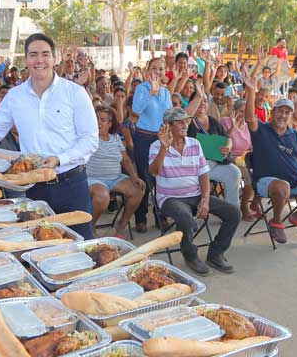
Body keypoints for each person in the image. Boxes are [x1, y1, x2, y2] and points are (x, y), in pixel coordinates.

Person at [0, 33, 99, 239]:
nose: (39, 60)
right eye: (33, 55)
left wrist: (59, 159)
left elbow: (90, 139)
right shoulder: (15, 96)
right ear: (26, 60)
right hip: (35, 187)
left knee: (81, 246)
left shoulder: (74, 93)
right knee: (41, 245)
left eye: (45, 54)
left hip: (72, 183)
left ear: (54, 59)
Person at [150, 108, 240, 276]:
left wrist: (205, 200)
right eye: (180, 121)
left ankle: (215, 253)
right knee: (185, 218)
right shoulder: (156, 146)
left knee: (234, 213)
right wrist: (164, 148)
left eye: (187, 121)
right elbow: (154, 172)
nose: (186, 124)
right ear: (168, 125)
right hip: (170, 198)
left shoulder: (194, 143)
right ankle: (190, 255)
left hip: (195, 194)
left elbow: (204, 174)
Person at [243, 75, 297, 244]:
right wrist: (250, 92)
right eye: (280, 111)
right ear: (273, 112)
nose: (283, 115)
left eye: (287, 112)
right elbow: (249, 117)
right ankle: (276, 221)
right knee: (282, 186)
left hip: (295, 180)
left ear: (291, 116)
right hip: (268, 182)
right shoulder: (261, 130)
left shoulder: (295, 135)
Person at [128, 56, 173, 233]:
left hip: (161, 139)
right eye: (154, 68)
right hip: (144, 138)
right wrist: (151, 93)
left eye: (161, 69)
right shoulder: (141, 88)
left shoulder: (166, 92)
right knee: (145, 178)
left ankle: (161, 215)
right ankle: (140, 218)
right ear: (148, 71)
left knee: (161, 177)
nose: (158, 72)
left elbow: (168, 115)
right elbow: (136, 110)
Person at [88, 107, 144, 237]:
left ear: (110, 123)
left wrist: (134, 177)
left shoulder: (115, 138)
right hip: (93, 179)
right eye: (96, 119)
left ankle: (121, 225)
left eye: (102, 120)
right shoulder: (89, 138)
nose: (98, 122)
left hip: (115, 178)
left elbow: (125, 160)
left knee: (139, 188)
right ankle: (90, 226)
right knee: (102, 196)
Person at [186, 95, 242, 210]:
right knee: (209, 163)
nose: (202, 103)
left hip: (214, 164)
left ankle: (232, 211)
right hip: (194, 167)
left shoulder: (213, 121)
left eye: (205, 101)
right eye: (199, 100)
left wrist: (228, 146)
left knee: (234, 173)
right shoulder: (187, 121)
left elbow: (227, 138)